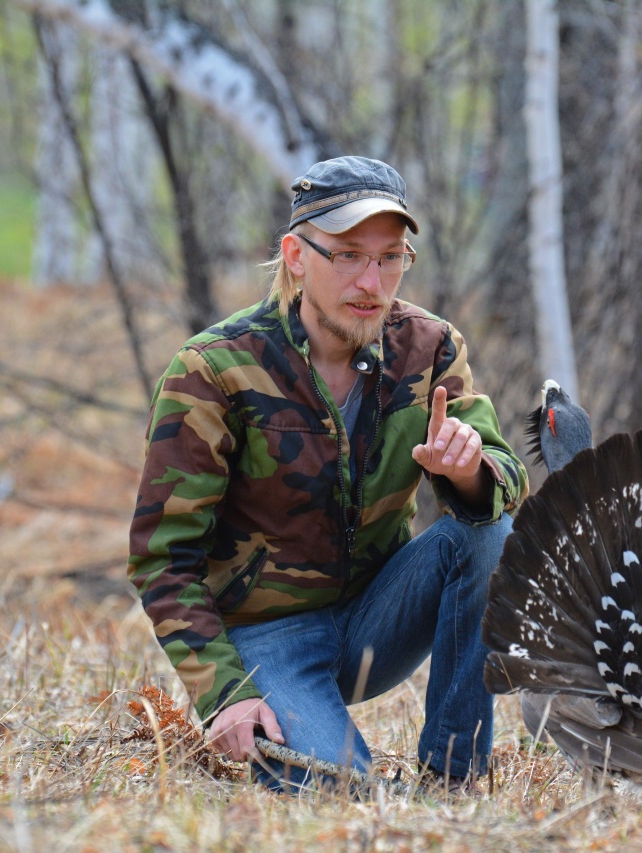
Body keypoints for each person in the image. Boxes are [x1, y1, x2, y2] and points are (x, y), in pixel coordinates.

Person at [127, 155, 529, 793]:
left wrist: (471, 473)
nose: (372, 280)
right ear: (295, 255)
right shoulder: (213, 368)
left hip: (378, 620)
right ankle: (326, 756)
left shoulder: (429, 349)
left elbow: (504, 471)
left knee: (492, 534)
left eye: (390, 257)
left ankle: (454, 777)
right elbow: (163, 556)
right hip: (268, 639)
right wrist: (223, 692)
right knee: (340, 794)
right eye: (347, 255)